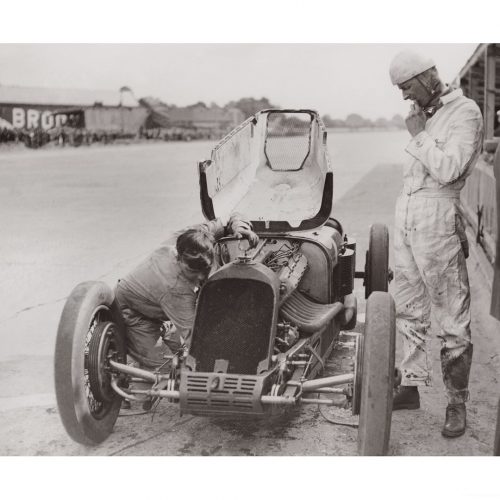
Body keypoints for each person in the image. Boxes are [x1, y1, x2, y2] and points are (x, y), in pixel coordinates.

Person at [389, 50, 484, 438]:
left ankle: (455, 404)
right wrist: (422, 131)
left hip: (438, 219)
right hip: (408, 217)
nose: (404, 96)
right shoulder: (423, 116)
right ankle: (409, 385)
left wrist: (420, 136)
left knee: (451, 316)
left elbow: (449, 170)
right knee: (408, 308)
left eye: (407, 86)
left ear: (429, 78)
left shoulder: (466, 112)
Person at [115, 214, 259, 369]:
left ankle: (166, 329)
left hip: (155, 305)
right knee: (168, 370)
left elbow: (223, 223)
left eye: (204, 269)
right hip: (133, 315)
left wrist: (239, 227)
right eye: (192, 270)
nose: (201, 276)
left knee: (181, 350)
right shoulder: (176, 288)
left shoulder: (190, 240)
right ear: (179, 258)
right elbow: (194, 337)